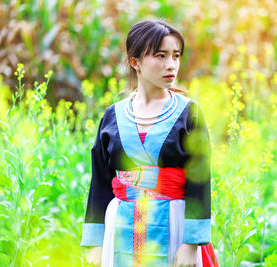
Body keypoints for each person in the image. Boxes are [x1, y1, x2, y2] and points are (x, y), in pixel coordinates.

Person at [81, 18, 218, 267]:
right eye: (160, 55)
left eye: (176, 56)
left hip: (175, 222)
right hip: (121, 222)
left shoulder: (189, 113)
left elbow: (200, 181)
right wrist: (96, 244)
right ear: (135, 63)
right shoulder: (113, 115)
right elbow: (100, 181)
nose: (171, 65)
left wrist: (191, 244)